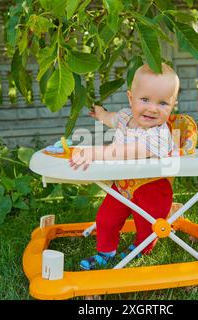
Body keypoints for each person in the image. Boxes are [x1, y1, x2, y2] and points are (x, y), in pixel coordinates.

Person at [69, 63, 180, 270]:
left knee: (147, 226)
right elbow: (111, 119)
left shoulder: (160, 135)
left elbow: (125, 152)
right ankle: (105, 252)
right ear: (131, 99)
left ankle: (142, 247)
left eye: (163, 103)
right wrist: (101, 113)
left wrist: (93, 153)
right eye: (145, 99)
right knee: (106, 219)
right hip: (122, 184)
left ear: (173, 105)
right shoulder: (125, 116)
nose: (152, 108)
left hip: (152, 188)